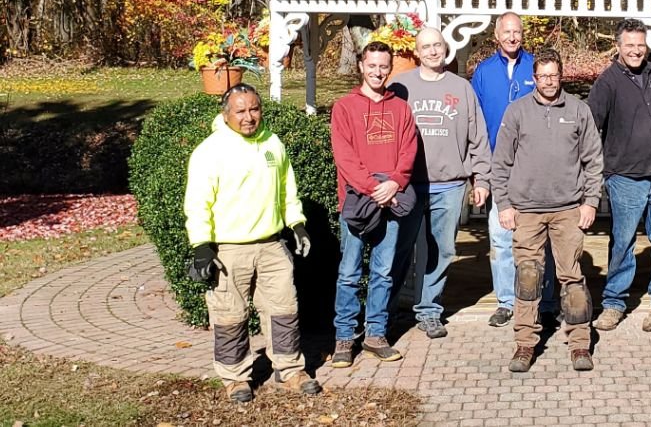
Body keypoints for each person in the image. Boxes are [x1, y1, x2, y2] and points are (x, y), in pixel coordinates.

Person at [184, 83, 321, 403]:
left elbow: (287, 189)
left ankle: (289, 370)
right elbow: (197, 202)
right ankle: (235, 378)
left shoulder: (272, 143)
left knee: (284, 309)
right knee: (230, 315)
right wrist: (201, 245)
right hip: (229, 249)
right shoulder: (210, 151)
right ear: (226, 114)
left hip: (271, 245)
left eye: (254, 109)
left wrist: (297, 223)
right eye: (240, 111)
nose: (249, 117)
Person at [492, 49, 604, 372]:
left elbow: (594, 161)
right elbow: (500, 163)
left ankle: (580, 344)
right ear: (534, 78)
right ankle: (525, 344)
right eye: (543, 76)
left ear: (561, 75)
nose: (549, 81)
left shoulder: (579, 111)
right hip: (525, 210)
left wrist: (590, 201)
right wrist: (504, 204)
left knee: (572, 279)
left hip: (569, 209)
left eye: (554, 75)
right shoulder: (517, 112)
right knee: (528, 276)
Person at [390, 27, 492, 339]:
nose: (433, 51)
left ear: (445, 48)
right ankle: (387, 311)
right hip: (407, 186)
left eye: (437, 45)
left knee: (441, 251)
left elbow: (478, 137)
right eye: (426, 47)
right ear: (417, 52)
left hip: (449, 185)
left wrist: (481, 179)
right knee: (398, 250)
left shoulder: (461, 88)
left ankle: (429, 309)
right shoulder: (400, 87)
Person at [587, 19, 651, 333]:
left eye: (640, 45)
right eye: (630, 45)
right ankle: (614, 303)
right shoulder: (607, 82)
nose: (636, 51)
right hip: (625, 176)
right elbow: (591, 125)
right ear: (618, 46)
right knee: (623, 243)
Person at [329, 41, 419, 368]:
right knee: (349, 273)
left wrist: (395, 182)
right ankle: (343, 337)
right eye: (372, 66)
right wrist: (373, 187)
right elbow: (345, 158)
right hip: (357, 201)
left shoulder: (401, 109)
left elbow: (408, 151)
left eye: (383, 66)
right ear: (361, 66)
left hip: (392, 200)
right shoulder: (344, 108)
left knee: (383, 272)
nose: (378, 72)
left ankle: (375, 334)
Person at [470, 11, 557, 329]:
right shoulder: (483, 72)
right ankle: (507, 301)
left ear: (524, 35)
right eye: (506, 32)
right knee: (502, 237)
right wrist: (480, 171)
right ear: (496, 35)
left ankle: (546, 303)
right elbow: (475, 123)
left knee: (541, 238)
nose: (512, 37)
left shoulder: (535, 68)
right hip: (499, 168)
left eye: (517, 32)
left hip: (535, 170)